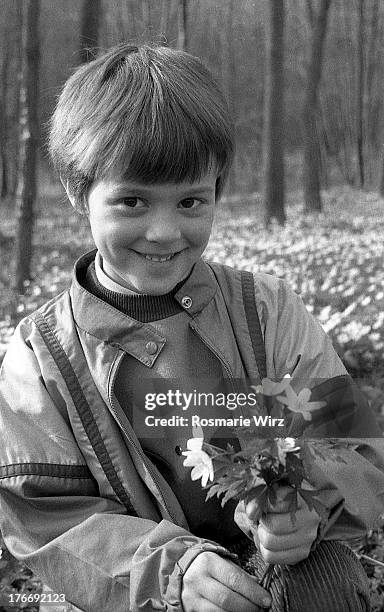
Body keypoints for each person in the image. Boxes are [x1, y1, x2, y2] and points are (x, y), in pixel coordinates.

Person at [0, 43, 383, 612]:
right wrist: (171, 570)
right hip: (134, 591)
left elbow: (353, 445)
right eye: (131, 201)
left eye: (190, 202)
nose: (163, 232)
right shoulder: (40, 358)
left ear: (217, 194)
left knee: (318, 583)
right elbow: (44, 515)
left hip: (283, 570)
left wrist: (303, 510)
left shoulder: (267, 311)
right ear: (80, 191)